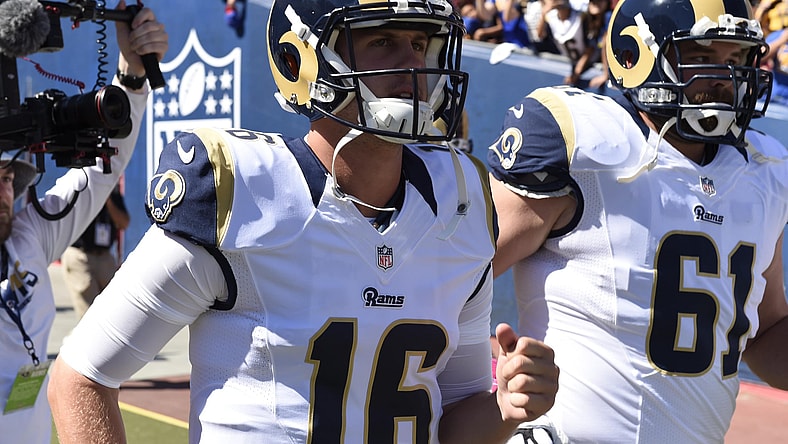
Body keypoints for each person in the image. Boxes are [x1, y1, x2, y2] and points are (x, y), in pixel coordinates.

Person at [47, 1, 559, 443]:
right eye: (383, 41)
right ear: (302, 60)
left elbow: (449, 420)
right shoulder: (240, 193)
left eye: (419, 43)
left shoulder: (461, 203)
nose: (413, 65)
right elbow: (80, 379)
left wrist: (506, 406)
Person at [486, 0, 788, 441]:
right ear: (635, 56)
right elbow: (452, 278)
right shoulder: (585, 146)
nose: (725, 79)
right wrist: (491, 370)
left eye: (735, 59)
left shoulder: (765, 171)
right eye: (703, 57)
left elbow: (767, 328)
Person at [0, 4, 167, 444]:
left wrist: (132, 77)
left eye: (7, 177)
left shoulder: (27, 236)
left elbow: (100, 172)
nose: (4, 193)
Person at [60, 183, 130, 320]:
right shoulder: (78, 186)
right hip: (80, 256)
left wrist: (107, 199)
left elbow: (124, 223)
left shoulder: (111, 189)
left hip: (104, 256)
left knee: (115, 313)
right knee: (90, 317)